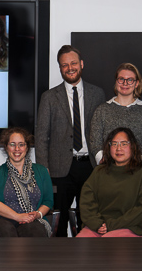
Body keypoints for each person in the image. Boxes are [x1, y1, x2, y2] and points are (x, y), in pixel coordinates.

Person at [36, 46, 106, 236]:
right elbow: (41, 137)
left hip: (89, 166)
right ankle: (59, 264)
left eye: (73, 63)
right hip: (59, 170)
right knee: (58, 221)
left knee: (89, 219)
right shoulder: (49, 97)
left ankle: (87, 262)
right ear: (60, 68)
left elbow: (103, 131)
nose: (70, 68)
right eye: (64, 65)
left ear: (81, 64)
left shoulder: (97, 94)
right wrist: (44, 171)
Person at [77, 128, 142, 237]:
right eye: (114, 144)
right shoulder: (98, 172)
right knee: (81, 246)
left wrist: (111, 225)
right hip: (98, 226)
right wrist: (97, 224)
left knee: (107, 246)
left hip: (131, 226)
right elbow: (87, 203)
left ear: (133, 146)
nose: (118, 148)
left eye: (124, 144)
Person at [0, 127, 53, 237]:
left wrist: (37, 214)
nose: (17, 149)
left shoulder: (41, 171)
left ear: (27, 147)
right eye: (12, 144)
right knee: (6, 232)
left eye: (21, 144)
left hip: (31, 220)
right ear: (6, 147)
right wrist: (17, 216)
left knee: (35, 233)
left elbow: (48, 201)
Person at [89, 63, 142, 167]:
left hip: (138, 170)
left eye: (130, 80)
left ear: (136, 83)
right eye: (121, 79)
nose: (125, 83)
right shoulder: (102, 110)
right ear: (116, 82)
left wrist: (137, 165)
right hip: (109, 170)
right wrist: (104, 162)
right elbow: (95, 141)